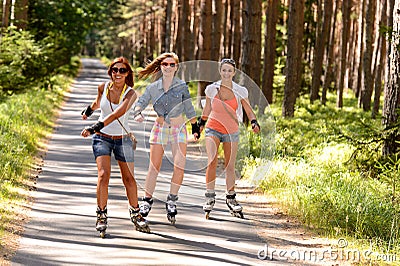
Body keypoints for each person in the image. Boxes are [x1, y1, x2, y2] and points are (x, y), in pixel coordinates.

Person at [80, 57, 149, 236]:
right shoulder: (103, 87)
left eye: (122, 70)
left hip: (123, 139)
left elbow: (119, 112)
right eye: (114, 70)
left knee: (129, 179)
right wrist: (88, 111)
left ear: (128, 74)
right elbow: (98, 103)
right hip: (102, 138)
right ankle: (101, 215)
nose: (117, 73)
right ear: (111, 72)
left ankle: (136, 212)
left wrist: (95, 127)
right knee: (103, 175)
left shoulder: (131, 93)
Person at [132, 52, 200, 224]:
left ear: (176, 67)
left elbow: (189, 107)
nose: (168, 67)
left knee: (180, 166)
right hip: (160, 128)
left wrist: (195, 127)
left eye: (172, 65)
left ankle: (172, 200)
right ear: (160, 67)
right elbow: (140, 102)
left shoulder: (182, 86)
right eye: (165, 64)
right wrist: (137, 112)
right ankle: (147, 200)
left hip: (179, 129)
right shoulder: (153, 88)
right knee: (154, 167)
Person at [198, 58, 260, 219]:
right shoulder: (211, 89)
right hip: (213, 128)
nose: (226, 73)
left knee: (229, 165)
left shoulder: (241, 91)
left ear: (234, 73)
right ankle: (210, 196)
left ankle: (230, 197)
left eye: (229, 71)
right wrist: (200, 126)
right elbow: (207, 110)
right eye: (224, 70)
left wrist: (254, 122)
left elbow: (248, 109)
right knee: (211, 161)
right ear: (220, 71)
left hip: (231, 130)